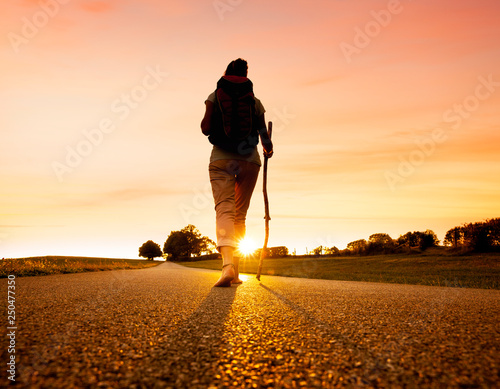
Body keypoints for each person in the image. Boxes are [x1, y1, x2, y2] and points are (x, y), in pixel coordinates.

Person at [201, 58, 273, 287]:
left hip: (221, 159)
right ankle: (238, 275)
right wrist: (268, 149)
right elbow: (264, 135)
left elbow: (204, 128)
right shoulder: (255, 101)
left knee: (225, 209)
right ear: (245, 76)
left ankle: (228, 266)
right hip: (250, 161)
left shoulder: (214, 96)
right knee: (239, 214)